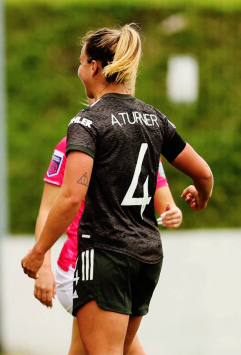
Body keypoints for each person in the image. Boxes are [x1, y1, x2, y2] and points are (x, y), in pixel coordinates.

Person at [21, 23, 213, 355]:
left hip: (105, 255)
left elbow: (70, 197)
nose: (78, 69)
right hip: (148, 256)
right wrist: (201, 195)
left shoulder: (87, 123)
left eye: (81, 62)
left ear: (94, 67)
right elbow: (204, 173)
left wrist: (39, 254)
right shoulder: (155, 119)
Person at [34, 137, 182, 355]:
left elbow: (167, 205)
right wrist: (43, 268)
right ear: (91, 99)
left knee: (84, 348)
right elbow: (47, 209)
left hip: (124, 265)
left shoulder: (145, 141)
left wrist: (173, 214)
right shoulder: (74, 143)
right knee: (124, 349)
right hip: (82, 267)